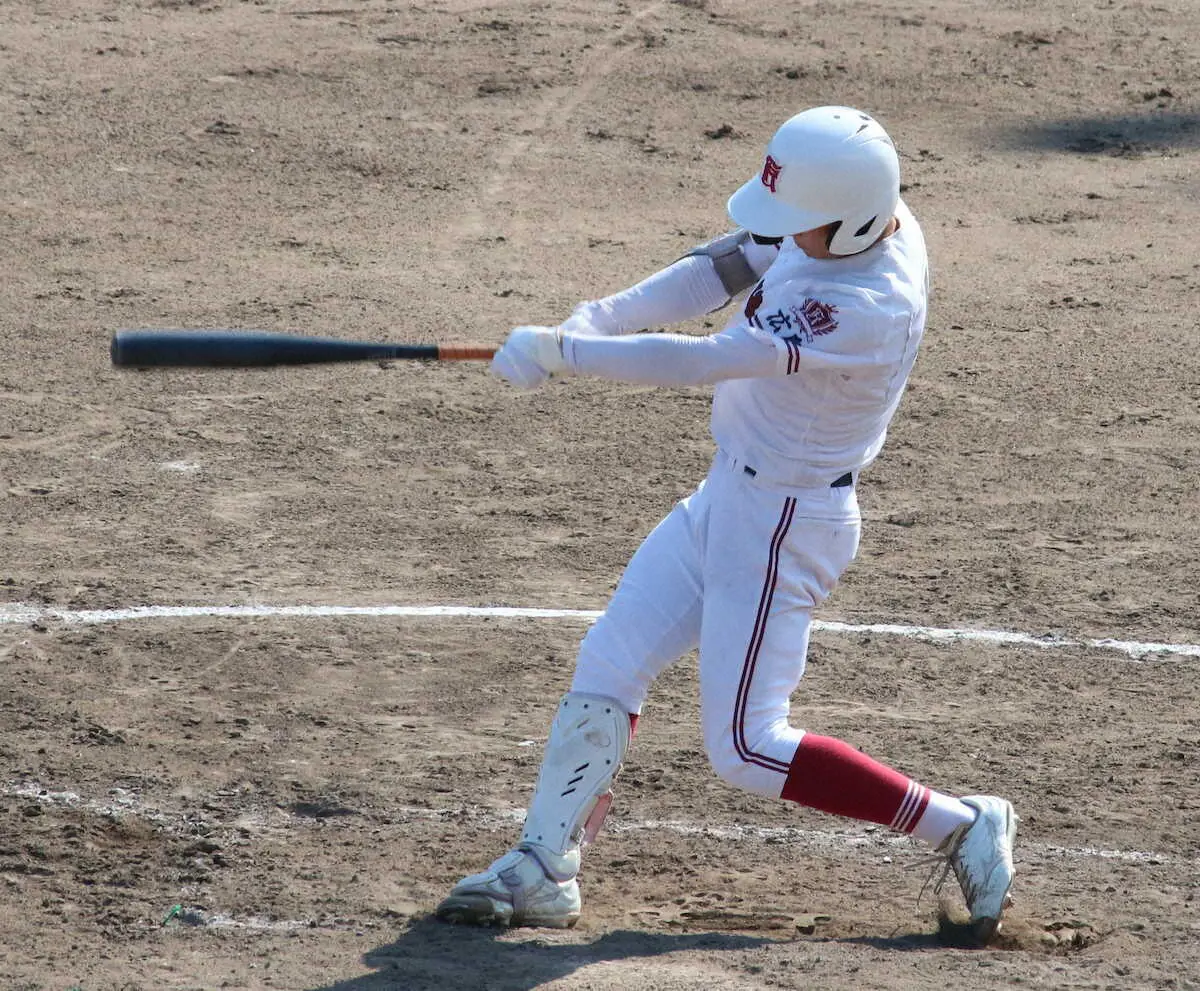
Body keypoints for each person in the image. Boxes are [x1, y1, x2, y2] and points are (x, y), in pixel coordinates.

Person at [435, 106, 1018, 944]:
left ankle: (961, 824)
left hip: (787, 519)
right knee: (612, 657)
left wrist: (564, 354)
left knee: (746, 744)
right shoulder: (854, 217)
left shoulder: (860, 306)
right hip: (731, 495)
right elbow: (726, 263)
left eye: (799, 226)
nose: (783, 236)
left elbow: (705, 357)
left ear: (850, 217)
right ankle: (543, 866)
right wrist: (594, 318)